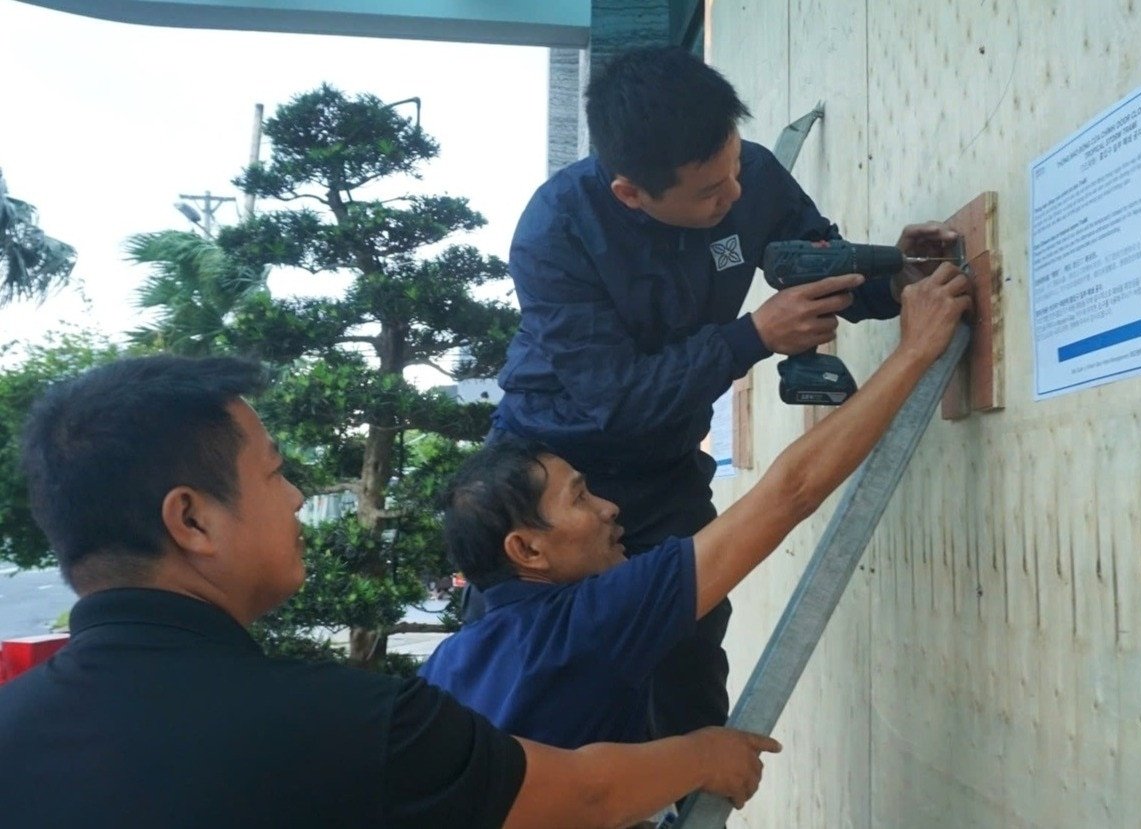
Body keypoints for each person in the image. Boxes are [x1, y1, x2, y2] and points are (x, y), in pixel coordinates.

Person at [0, 355, 780, 829]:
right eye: (275, 473)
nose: (300, 498)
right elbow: (582, 796)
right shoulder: (343, 724)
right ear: (193, 518)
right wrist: (704, 751)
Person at [484, 44, 960, 740]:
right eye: (709, 193)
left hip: (663, 470)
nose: (733, 195)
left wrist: (894, 274)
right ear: (631, 193)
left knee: (689, 664)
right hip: (552, 474)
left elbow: (813, 268)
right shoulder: (556, 233)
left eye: (733, 167)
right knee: (531, 681)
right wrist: (754, 336)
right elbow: (613, 397)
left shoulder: (752, 177)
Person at [422, 266, 971, 749]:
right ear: (526, 549)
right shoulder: (592, 621)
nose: (612, 508)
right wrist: (917, 349)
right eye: (581, 498)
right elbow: (791, 490)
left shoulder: (451, 665)